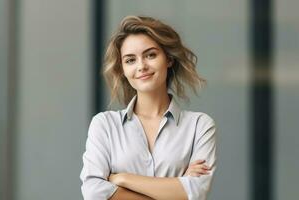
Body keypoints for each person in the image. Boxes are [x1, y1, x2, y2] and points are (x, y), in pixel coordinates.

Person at [80, 15, 217, 200]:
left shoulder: (199, 126)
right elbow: (93, 192)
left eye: (150, 55)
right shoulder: (104, 125)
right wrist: (176, 187)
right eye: (130, 60)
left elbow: (196, 192)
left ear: (168, 59)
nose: (141, 66)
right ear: (122, 69)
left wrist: (122, 178)